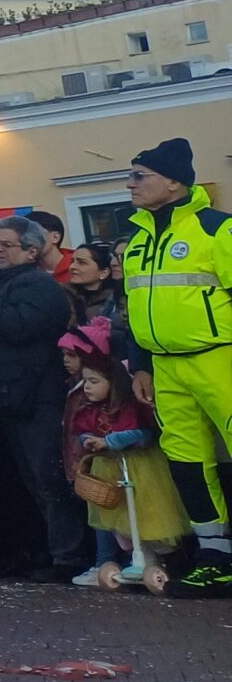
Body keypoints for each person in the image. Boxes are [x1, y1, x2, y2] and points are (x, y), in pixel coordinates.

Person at [117, 138, 232, 598]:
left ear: (173, 181)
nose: (129, 183)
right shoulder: (140, 240)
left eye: (139, 175)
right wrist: (141, 365)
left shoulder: (216, 229)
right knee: (187, 460)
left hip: (218, 356)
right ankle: (215, 555)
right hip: (165, 367)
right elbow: (134, 308)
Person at [0, 216, 88, 581]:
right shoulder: (10, 284)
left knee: (49, 480)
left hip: (37, 397)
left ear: (31, 250)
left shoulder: (39, 286)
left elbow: (16, 327)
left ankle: (69, 558)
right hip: (15, 397)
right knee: (33, 481)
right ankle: (50, 553)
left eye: (7, 244)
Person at [60, 319, 188, 587]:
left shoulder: (128, 407)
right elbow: (81, 430)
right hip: (110, 469)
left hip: (140, 469)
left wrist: (112, 441)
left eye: (94, 381)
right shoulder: (89, 408)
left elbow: (144, 432)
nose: (87, 387)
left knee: (149, 515)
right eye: (85, 382)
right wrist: (89, 441)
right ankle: (131, 559)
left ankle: (161, 559)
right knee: (118, 518)